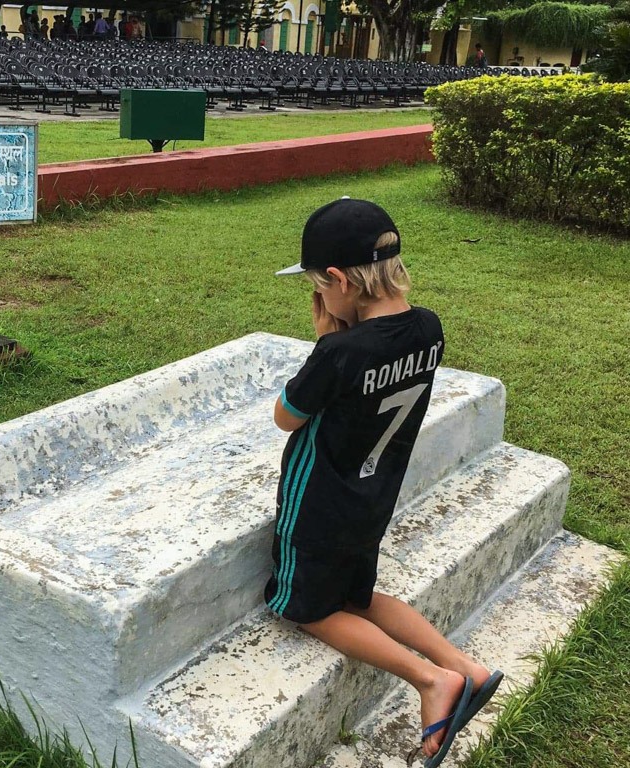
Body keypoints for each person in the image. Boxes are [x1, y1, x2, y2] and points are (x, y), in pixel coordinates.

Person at [270, 198, 504, 768]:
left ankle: (431, 681)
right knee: (359, 595)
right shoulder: (428, 327)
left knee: (306, 608)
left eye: (318, 289)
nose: (319, 301)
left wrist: (325, 338)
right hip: (375, 495)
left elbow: (286, 414)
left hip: (321, 503)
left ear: (338, 280)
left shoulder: (340, 350)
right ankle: (465, 667)